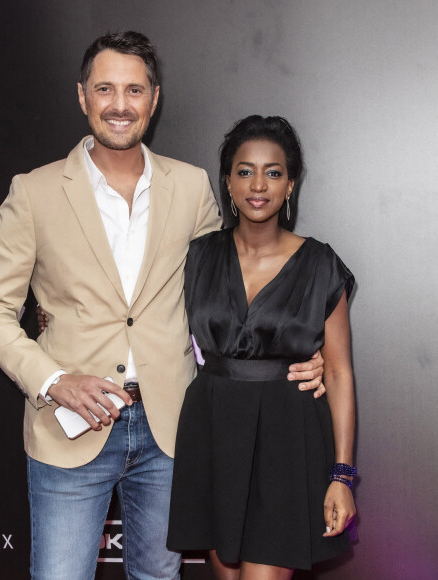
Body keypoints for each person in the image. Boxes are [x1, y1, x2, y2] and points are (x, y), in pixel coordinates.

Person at [0, 31, 325, 580]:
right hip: (70, 432)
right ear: (82, 95)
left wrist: (294, 351)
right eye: (105, 88)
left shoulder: (191, 186)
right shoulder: (34, 192)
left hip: (172, 431)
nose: (119, 104)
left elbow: (230, 289)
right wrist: (53, 378)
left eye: (134, 90)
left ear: (154, 100)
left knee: (159, 577)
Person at [166, 115, 357, 580]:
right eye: (244, 170)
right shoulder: (196, 257)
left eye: (273, 172)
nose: (258, 184)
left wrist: (342, 475)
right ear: (227, 183)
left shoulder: (319, 265)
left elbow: (337, 373)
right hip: (213, 435)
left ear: (290, 184)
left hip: (288, 441)